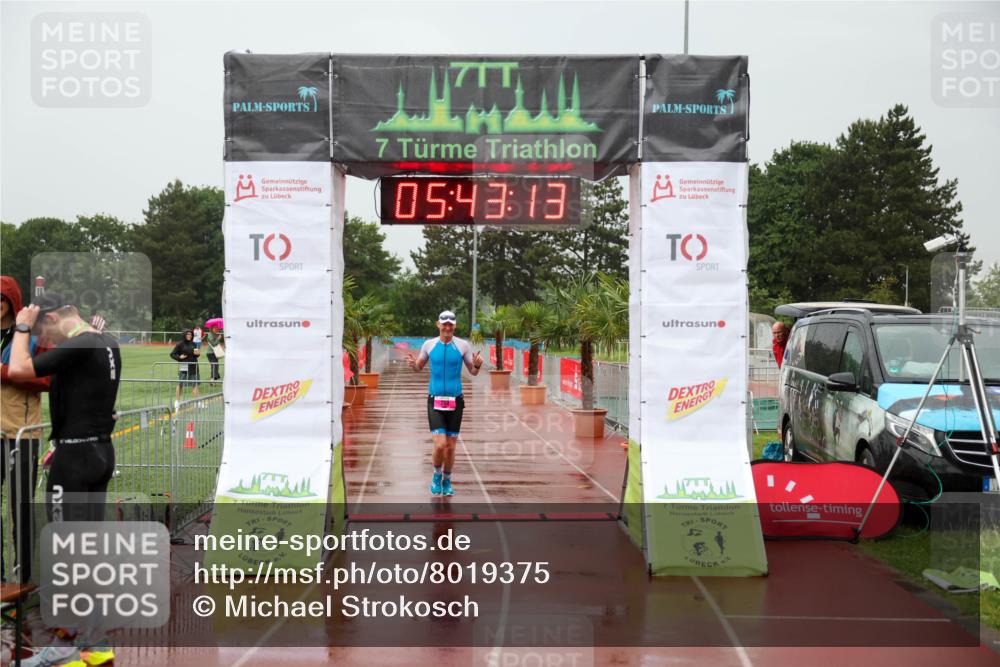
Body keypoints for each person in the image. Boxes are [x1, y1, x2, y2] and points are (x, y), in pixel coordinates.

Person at [8, 292, 120, 667]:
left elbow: (20, 370)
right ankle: (95, 643)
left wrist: (22, 326)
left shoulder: (81, 343)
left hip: (76, 460)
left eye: (44, 334)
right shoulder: (106, 342)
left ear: (53, 318)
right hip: (98, 452)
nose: (46, 344)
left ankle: (66, 647)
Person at [0, 276, 50, 583]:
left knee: (21, 507)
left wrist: (4, 373)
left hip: (21, 434)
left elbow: (46, 379)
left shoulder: (30, 335)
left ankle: (25, 576)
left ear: (11, 302)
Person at [406, 310, 483, 497]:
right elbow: (419, 367)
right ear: (438, 325)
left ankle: (447, 480)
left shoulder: (463, 345)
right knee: (440, 444)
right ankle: (436, 475)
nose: (447, 327)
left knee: (450, 446)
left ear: (454, 326)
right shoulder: (429, 345)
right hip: (435, 401)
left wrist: (478, 364)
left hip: (456, 401)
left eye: (451, 323)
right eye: (444, 323)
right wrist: (413, 365)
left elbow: (472, 372)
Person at [170, 329, 201, 403]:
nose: (189, 336)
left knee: (195, 384)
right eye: (188, 334)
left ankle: (198, 402)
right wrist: (179, 357)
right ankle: (177, 402)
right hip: (184, 366)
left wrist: (197, 354)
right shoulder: (180, 344)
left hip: (193, 366)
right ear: (184, 335)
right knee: (180, 384)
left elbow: (195, 355)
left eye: (190, 334)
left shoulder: (193, 343)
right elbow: (172, 354)